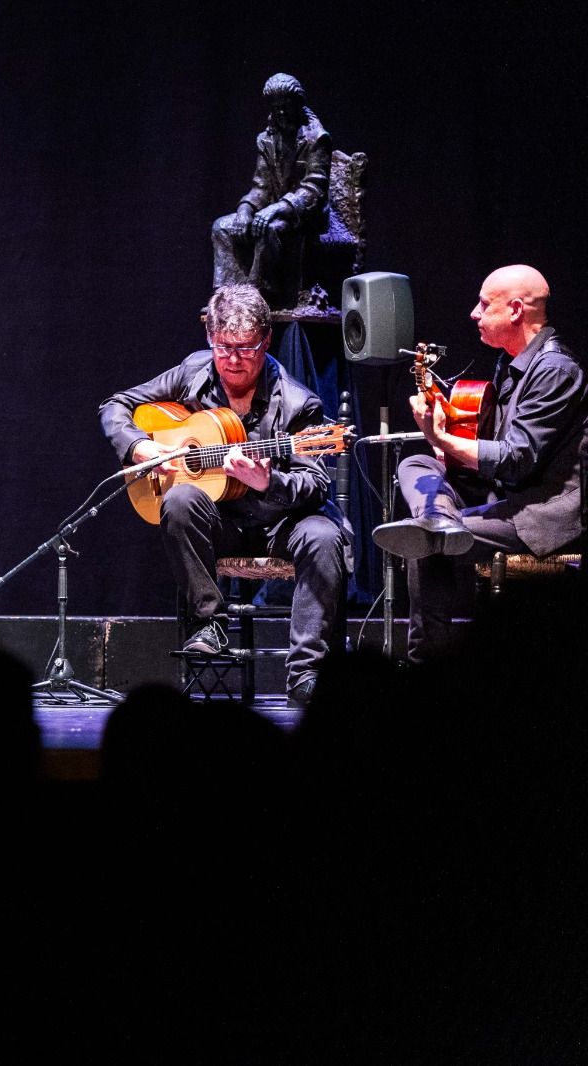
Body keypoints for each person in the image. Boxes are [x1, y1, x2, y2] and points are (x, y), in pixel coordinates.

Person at [99, 284, 348, 705]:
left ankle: (307, 672)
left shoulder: (298, 402)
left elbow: (316, 483)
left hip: (279, 523)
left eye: (246, 348)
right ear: (210, 337)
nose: (233, 359)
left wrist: (268, 483)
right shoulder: (194, 371)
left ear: (266, 341)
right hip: (219, 524)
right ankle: (210, 623)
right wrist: (141, 447)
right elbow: (116, 405)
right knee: (177, 501)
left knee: (324, 537)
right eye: (222, 346)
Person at [373, 265, 586, 661]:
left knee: (424, 543)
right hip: (505, 496)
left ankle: (426, 664)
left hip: (541, 515)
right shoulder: (514, 363)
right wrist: (447, 437)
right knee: (418, 463)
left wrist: (444, 438)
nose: (474, 312)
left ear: (516, 310)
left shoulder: (555, 370)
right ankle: (438, 519)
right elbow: (494, 448)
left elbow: (517, 460)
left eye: (485, 304)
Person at [210, 73, 331, 308]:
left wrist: (276, 209)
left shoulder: (317, 138)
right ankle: (225, 300)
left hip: (304, 216)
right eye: (277, 109)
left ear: (298, 106)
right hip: (273, 209)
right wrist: (246, 209)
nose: (282, 114)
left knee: (268, 230)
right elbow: (261, 186)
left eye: (286, 108)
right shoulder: (266, 139)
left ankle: (257, 300)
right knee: (221, 227)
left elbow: (314, 190)